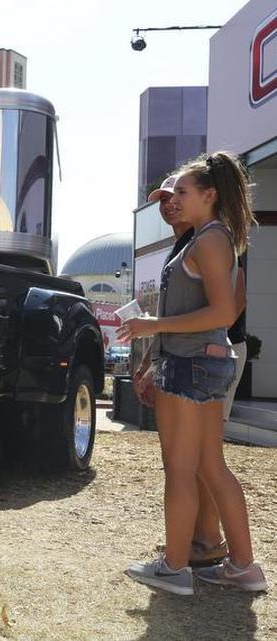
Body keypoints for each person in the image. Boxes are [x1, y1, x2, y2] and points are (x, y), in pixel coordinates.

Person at [120, 152, 267, 595]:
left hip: (189, 365)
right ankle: (243, 566)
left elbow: (223, 310)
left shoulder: (208, 240)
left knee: (180, 468)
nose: (174, 201)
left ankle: (176, 567)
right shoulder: (213, 237)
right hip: (202, 362)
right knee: (208, 466)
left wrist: (155, 326)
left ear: (210, 195)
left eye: (183, 192)